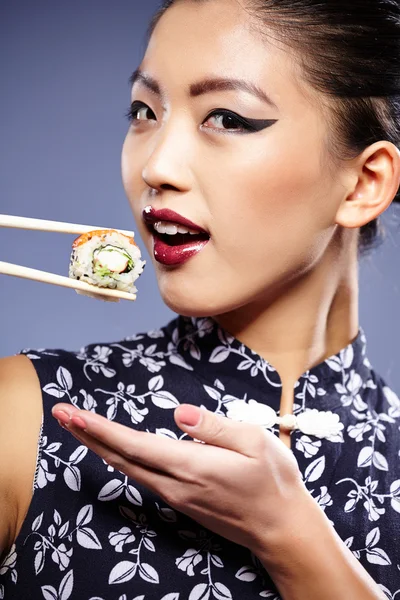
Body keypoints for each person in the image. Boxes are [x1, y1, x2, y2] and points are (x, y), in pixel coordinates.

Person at [1, 0, 400, 597]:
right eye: (144, 111)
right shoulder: (24, 416)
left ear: (364, 183)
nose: (157, 165)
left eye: (227, 119)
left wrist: (289, 536)